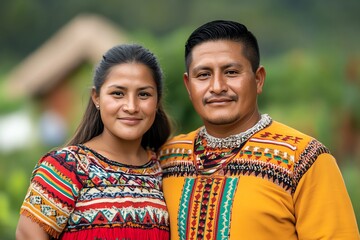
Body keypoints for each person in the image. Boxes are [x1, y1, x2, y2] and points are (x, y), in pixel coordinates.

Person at [158, 20, 359, 239]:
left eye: (232, 72)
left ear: (258, 79)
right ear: (189, 86)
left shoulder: (303, 158)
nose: (217, 87)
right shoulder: (167, 157)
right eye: (203, 75)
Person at [16, 43, 172, 240]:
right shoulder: (68, 167)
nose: (131, 107)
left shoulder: (163, 168)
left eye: (144, 94)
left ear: (157, 102)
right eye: (118, 93)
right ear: (96, 97)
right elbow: (27, 234)